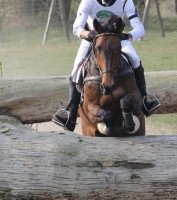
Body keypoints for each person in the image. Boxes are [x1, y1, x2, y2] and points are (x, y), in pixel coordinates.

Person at [53, 0, 160, 131]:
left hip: (117, 38)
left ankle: (145, 99)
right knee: (76, 68)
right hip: (93, 38)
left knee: (134, 58)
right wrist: (90, 34)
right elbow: (77, 27)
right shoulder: (88, 2)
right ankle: (71, 113)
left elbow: (140, 28)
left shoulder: (126, 1)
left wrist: (128, 36)